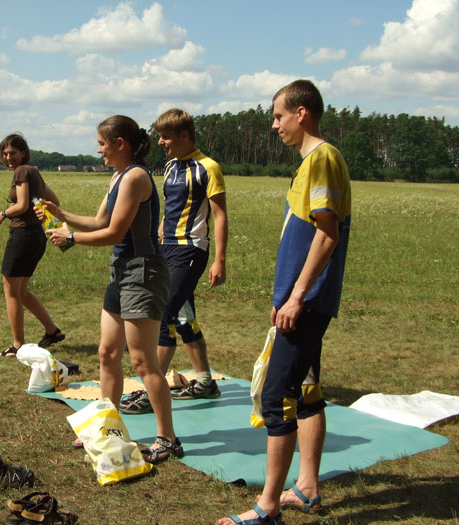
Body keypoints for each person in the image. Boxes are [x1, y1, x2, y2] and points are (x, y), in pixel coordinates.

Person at [220, 80, 351, 525]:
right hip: (299, 301)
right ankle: (307, 488)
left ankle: (267, 507)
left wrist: (296, 296)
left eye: (278, 116)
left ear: (302, 113)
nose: (274, 125)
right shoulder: (308, 163)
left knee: (276, 399)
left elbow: (327, 233)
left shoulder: (323, 158)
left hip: (307, 304)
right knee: (306, 391)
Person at [39, 116, 183, 464]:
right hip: (121, 273)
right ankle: (109, 425)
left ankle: (168, 438)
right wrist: (63, 215)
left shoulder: (135, 176)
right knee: (107, 353)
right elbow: (100, 222)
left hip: (143, 274)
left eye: (102, 143)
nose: (98, 149)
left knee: (143, 361)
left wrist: (69, 237)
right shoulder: (118, 176)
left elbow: (115, 233)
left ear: (120, 143)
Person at [118, 108, 228, 415]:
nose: (162, 142)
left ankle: (151, 391)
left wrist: (219, 259)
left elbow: (219, 214)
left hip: (192, 250)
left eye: (167, 136)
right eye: (160, 136)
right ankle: (205, 381)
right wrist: (161, 230)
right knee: (182, 314)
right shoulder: (170, 167)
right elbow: (173, 206)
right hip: (167, 248)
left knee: (162, 313)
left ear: (185, 135)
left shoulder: (209, 167)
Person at [0, 133, 65, 357]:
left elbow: (22, 204)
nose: (8, 158)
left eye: (12, 153)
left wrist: (3, 213)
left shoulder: (22, 171)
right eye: (4, 154)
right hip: (36, 235)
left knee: (11, 292)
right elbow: (54, 200)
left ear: (23, 152)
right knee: (22, 292)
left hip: (23, 234)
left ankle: (17, 345)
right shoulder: (33, 172)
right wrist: (41, 213)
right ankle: (52, 331)